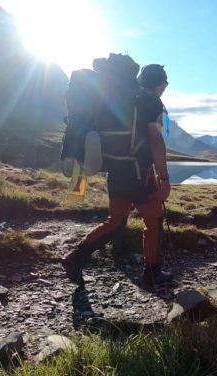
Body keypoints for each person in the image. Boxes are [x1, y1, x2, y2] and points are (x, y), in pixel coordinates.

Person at [61, 63, 173, 287]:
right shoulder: (151, 101)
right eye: (165, 85)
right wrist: (164, 177)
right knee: (155, 220)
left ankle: (75, 257)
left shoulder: (124, 96)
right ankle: (151, 273)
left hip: (115, 170)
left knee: (116, 221)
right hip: (139, 173)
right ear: (162, 84)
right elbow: (156, 140)